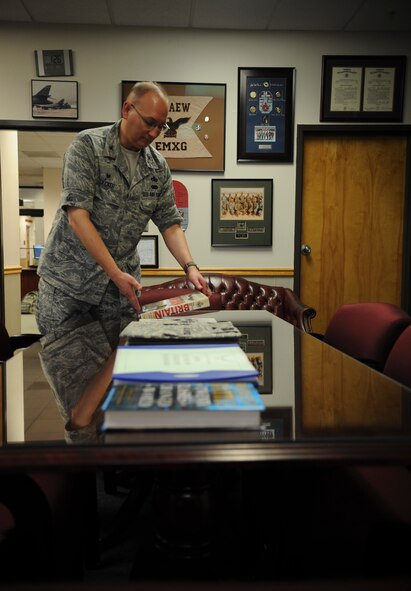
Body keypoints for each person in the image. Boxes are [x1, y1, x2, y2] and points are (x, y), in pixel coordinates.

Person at [36, 81, 210, 338]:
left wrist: (190, 267)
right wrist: (114, 272)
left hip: (119, 292)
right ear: (127, 109)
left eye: (160, 127)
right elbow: (77, 217)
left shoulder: (158, 167)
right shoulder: (87, 147)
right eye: (149, 122)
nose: (154, 133)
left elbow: (170, 223)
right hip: (68, 288)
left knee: (121, 366)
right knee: (71, 370)